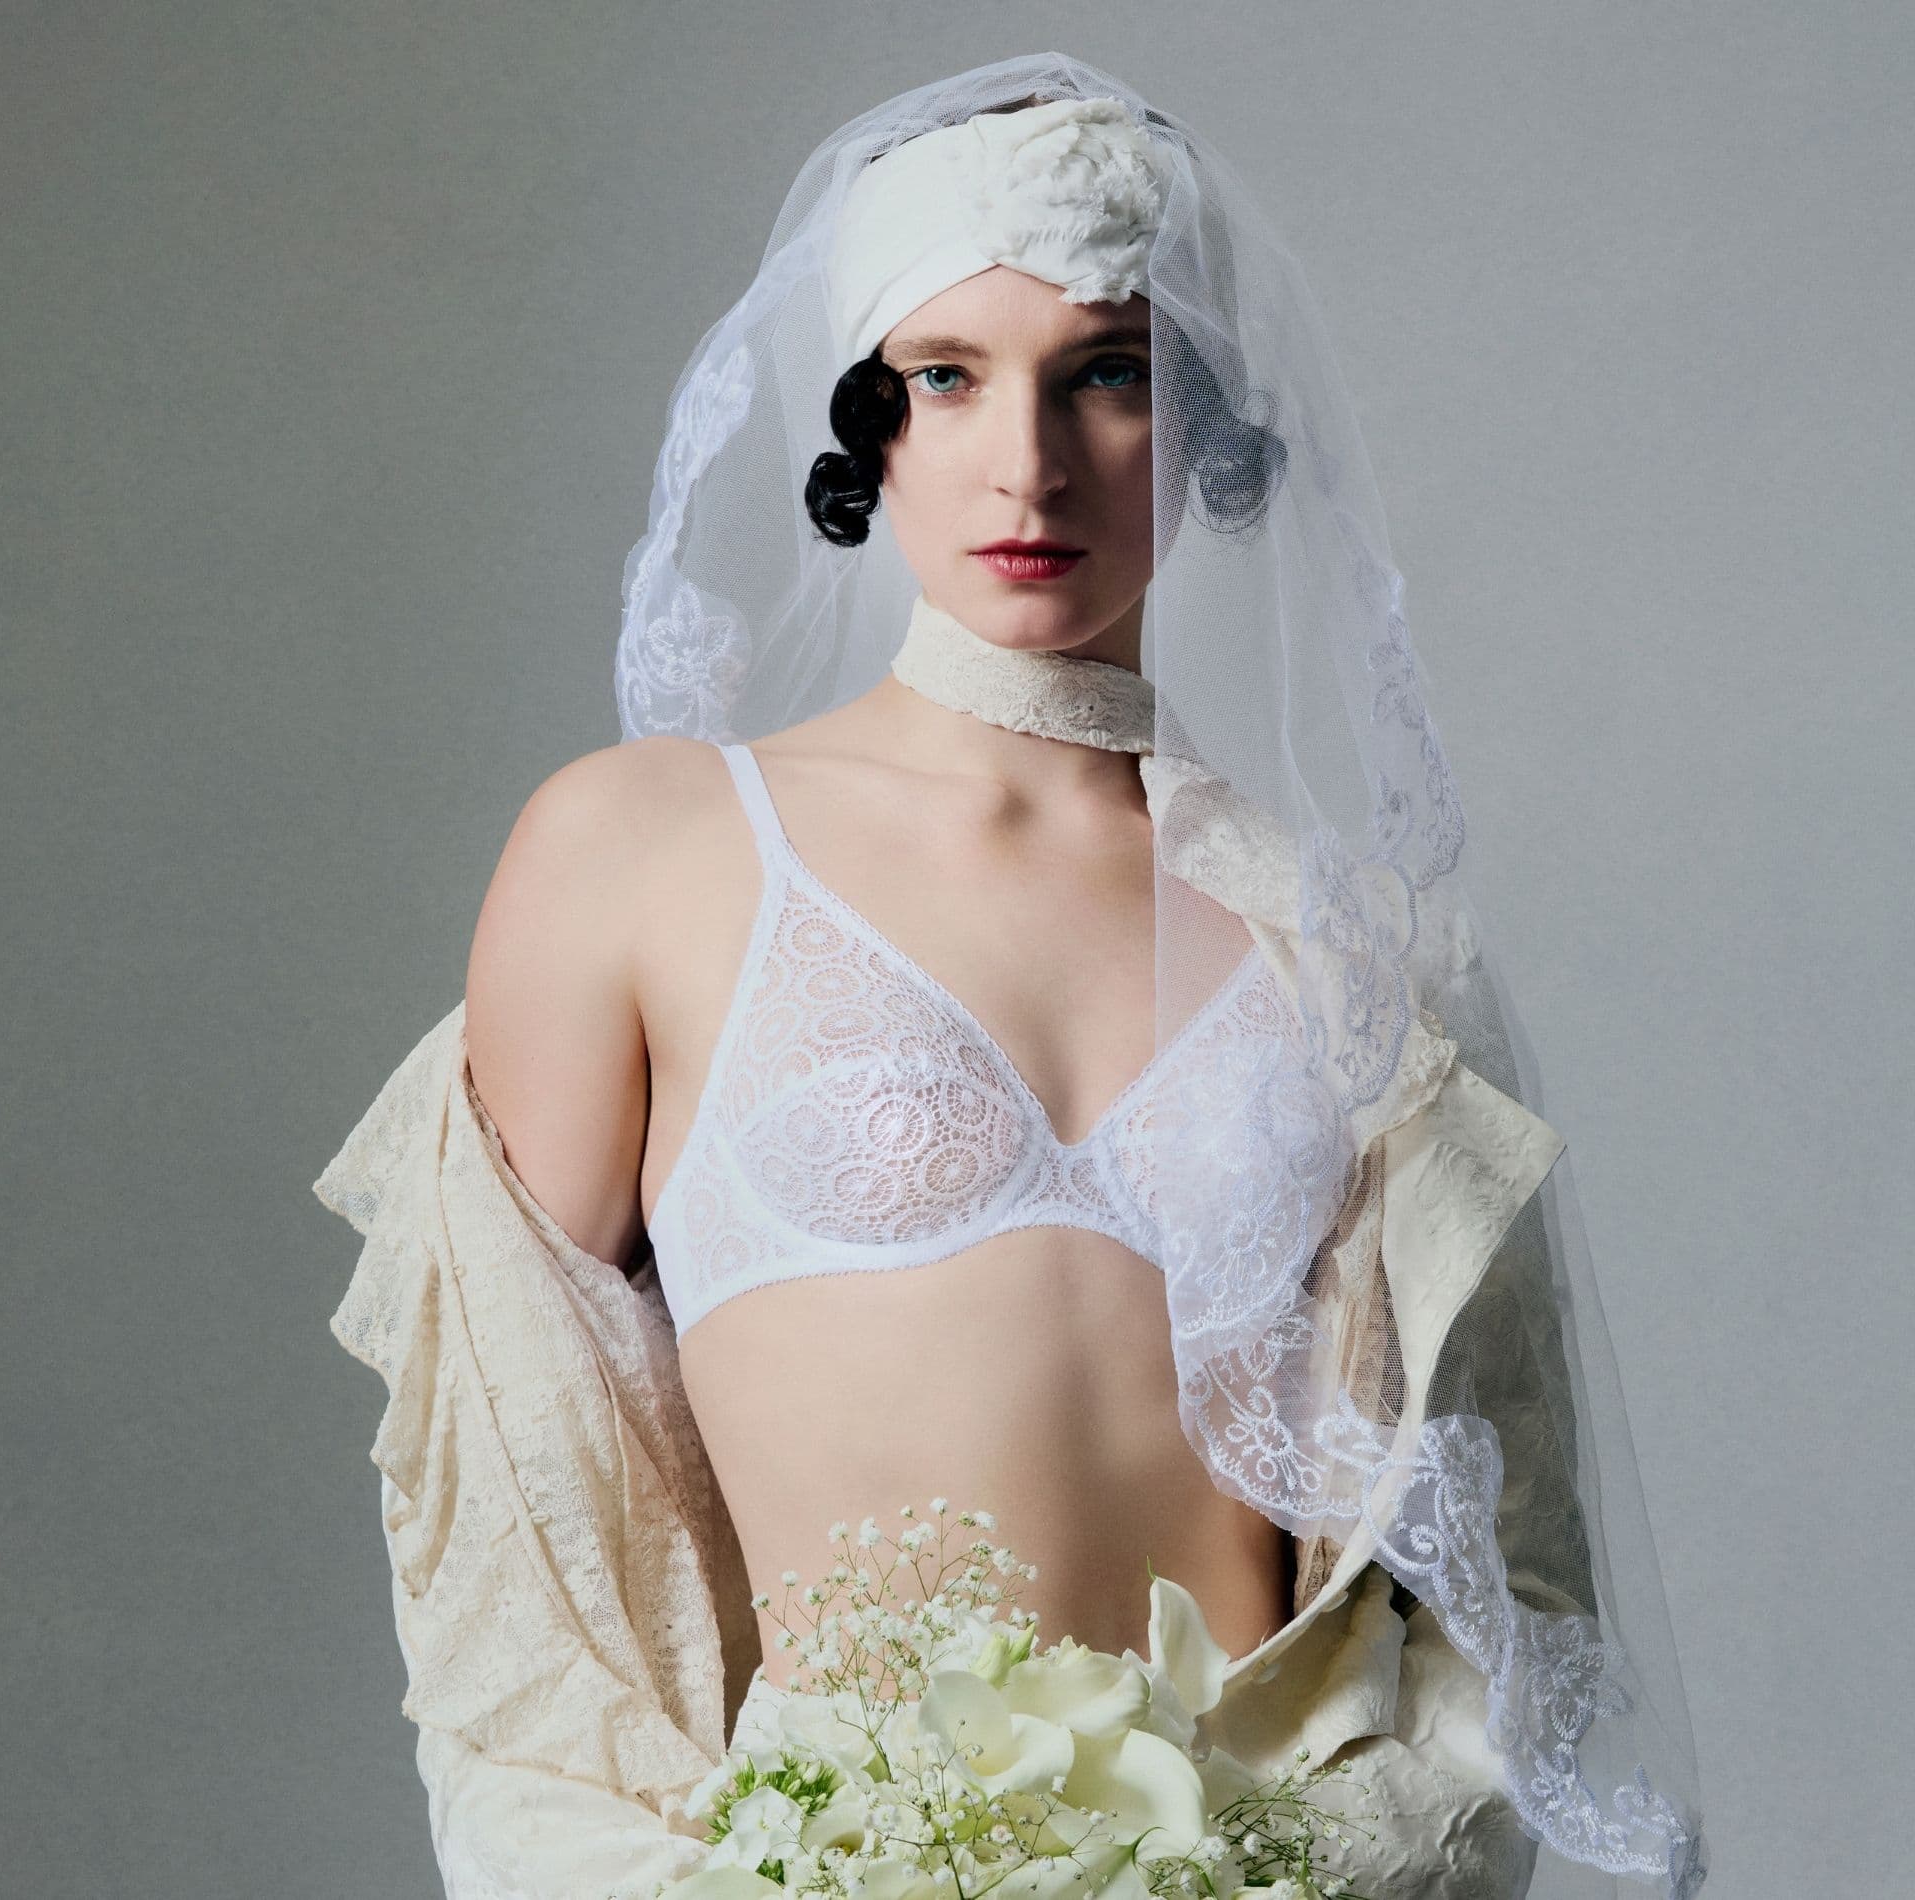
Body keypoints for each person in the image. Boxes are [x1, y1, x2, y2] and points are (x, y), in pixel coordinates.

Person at [316, 56, 1706, 1900]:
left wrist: (1279, 1885)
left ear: (1203, 421)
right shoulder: (638, 856)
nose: (1026, 461)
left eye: (1107, 373)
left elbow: (1499, 1603)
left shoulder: (1370, 960)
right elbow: (518, 1574)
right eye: (947, 378)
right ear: (862, 427)